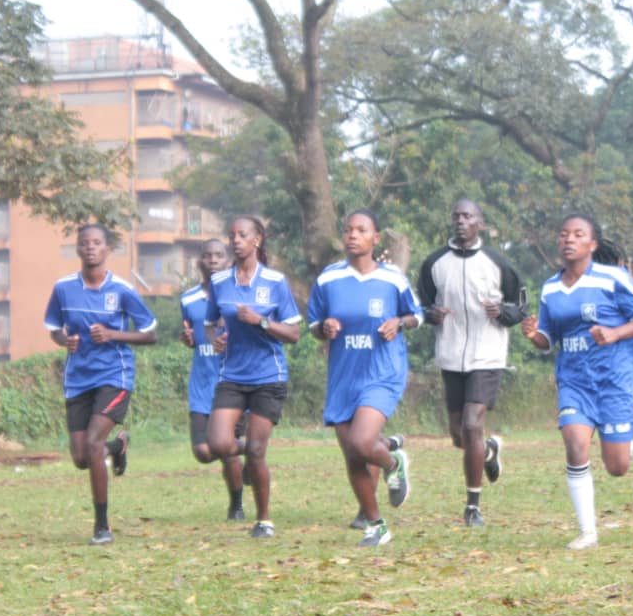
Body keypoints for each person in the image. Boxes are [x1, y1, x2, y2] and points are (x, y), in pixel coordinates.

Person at [522, 213, 633, 549]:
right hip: (575, 380)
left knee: (617, 467)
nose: (569, 239)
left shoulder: (613, 279)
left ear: (592, 244)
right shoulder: (551, 288)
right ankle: (588, 532)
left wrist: (614, 333)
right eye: (564, 234)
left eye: (578, 234)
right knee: (575, 443)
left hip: (614, 380)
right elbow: (549, 340)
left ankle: (625, 434)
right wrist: (534, 335)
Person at [308, 209, 422, 547]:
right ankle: (376, 526)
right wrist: (324, 327)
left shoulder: (392, 279)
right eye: (348, 230)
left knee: (361, 442)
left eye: (361, 230)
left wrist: (398, 322)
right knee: (353, 455)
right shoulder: (328, 279)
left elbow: (416, 315)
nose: (353, 235)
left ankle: (392, 461)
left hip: (382, 372)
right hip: (344, 376)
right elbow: (313, 324)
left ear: (376, 238)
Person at [44, 223, 157, 545]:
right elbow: (54, 328)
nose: (90, 247)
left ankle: (102, 526)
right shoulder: (63, 288)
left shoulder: (122, 290)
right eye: (85, 243)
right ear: (78, 249)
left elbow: (150, 334)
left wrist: (112, 334)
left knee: (93, 444)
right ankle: (117, 447)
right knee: (82, 457)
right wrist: (64, 340)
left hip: (114, 376)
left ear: (107, 249)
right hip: (78, 379)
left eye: (97, 243)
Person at [418, 199, 525, 527]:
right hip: (450, 354)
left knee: (471, 423)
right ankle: (489, 451)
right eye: (456, 216)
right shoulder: (434, 263)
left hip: (487, 353)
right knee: (457, 435)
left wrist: (502, 312)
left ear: (480, 222)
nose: (460, 221)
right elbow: (418, 306)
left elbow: (519, 307)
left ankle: (472, 506)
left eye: (467, 216)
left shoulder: (497, 263)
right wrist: (430, 314)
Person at [204, 215, 301, 538]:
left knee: (257, 453)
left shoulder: (275, 281)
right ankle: (252, 448)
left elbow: (294, 333)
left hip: (268, 376)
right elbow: (210, 323)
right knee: (218, 444)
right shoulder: (220, 282)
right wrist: (215, 339)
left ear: (257, 240)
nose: (235, 240)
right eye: (232, 235)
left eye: (242, 235)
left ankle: (264, 520)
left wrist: (261, 321)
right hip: (232, 374)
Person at [180, 239, 248, 521]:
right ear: (200, 261)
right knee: (203, 452)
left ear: (228, 260)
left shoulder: (240, 296)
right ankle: (253, 449)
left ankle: (236, 505)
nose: (213, 260)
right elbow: (192, 335)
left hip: (233, 382)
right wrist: (187, 339)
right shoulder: (188, 299)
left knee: (226, 448)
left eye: (219, 255)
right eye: (207, 255)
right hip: (201, 384)